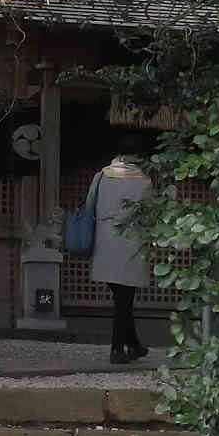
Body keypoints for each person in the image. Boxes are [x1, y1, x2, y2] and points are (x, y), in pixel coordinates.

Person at [85, 139, 153, 364]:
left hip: (104, 242)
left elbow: (89, 207)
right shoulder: (144, 182)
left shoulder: (101, 176)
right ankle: (117, 349)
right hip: (131, 243)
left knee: (121, 297)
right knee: (124, 298)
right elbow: (148, 213)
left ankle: (133, 345)